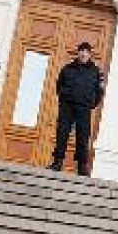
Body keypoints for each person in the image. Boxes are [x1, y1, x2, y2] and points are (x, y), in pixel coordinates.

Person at [47, 42, 105, 176]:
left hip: (83, 108)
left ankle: (82, 167)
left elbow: (99, 91)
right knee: (62, 133)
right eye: (81, 51)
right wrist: (63, 96)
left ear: (90, 55)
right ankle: (57, 162)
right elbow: (59, 85)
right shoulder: (67, 68)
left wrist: (91, 104)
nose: (83, 54)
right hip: (67, 106)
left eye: (86, 52)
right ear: (78, 53)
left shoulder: (96, 72)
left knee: (82, 137)